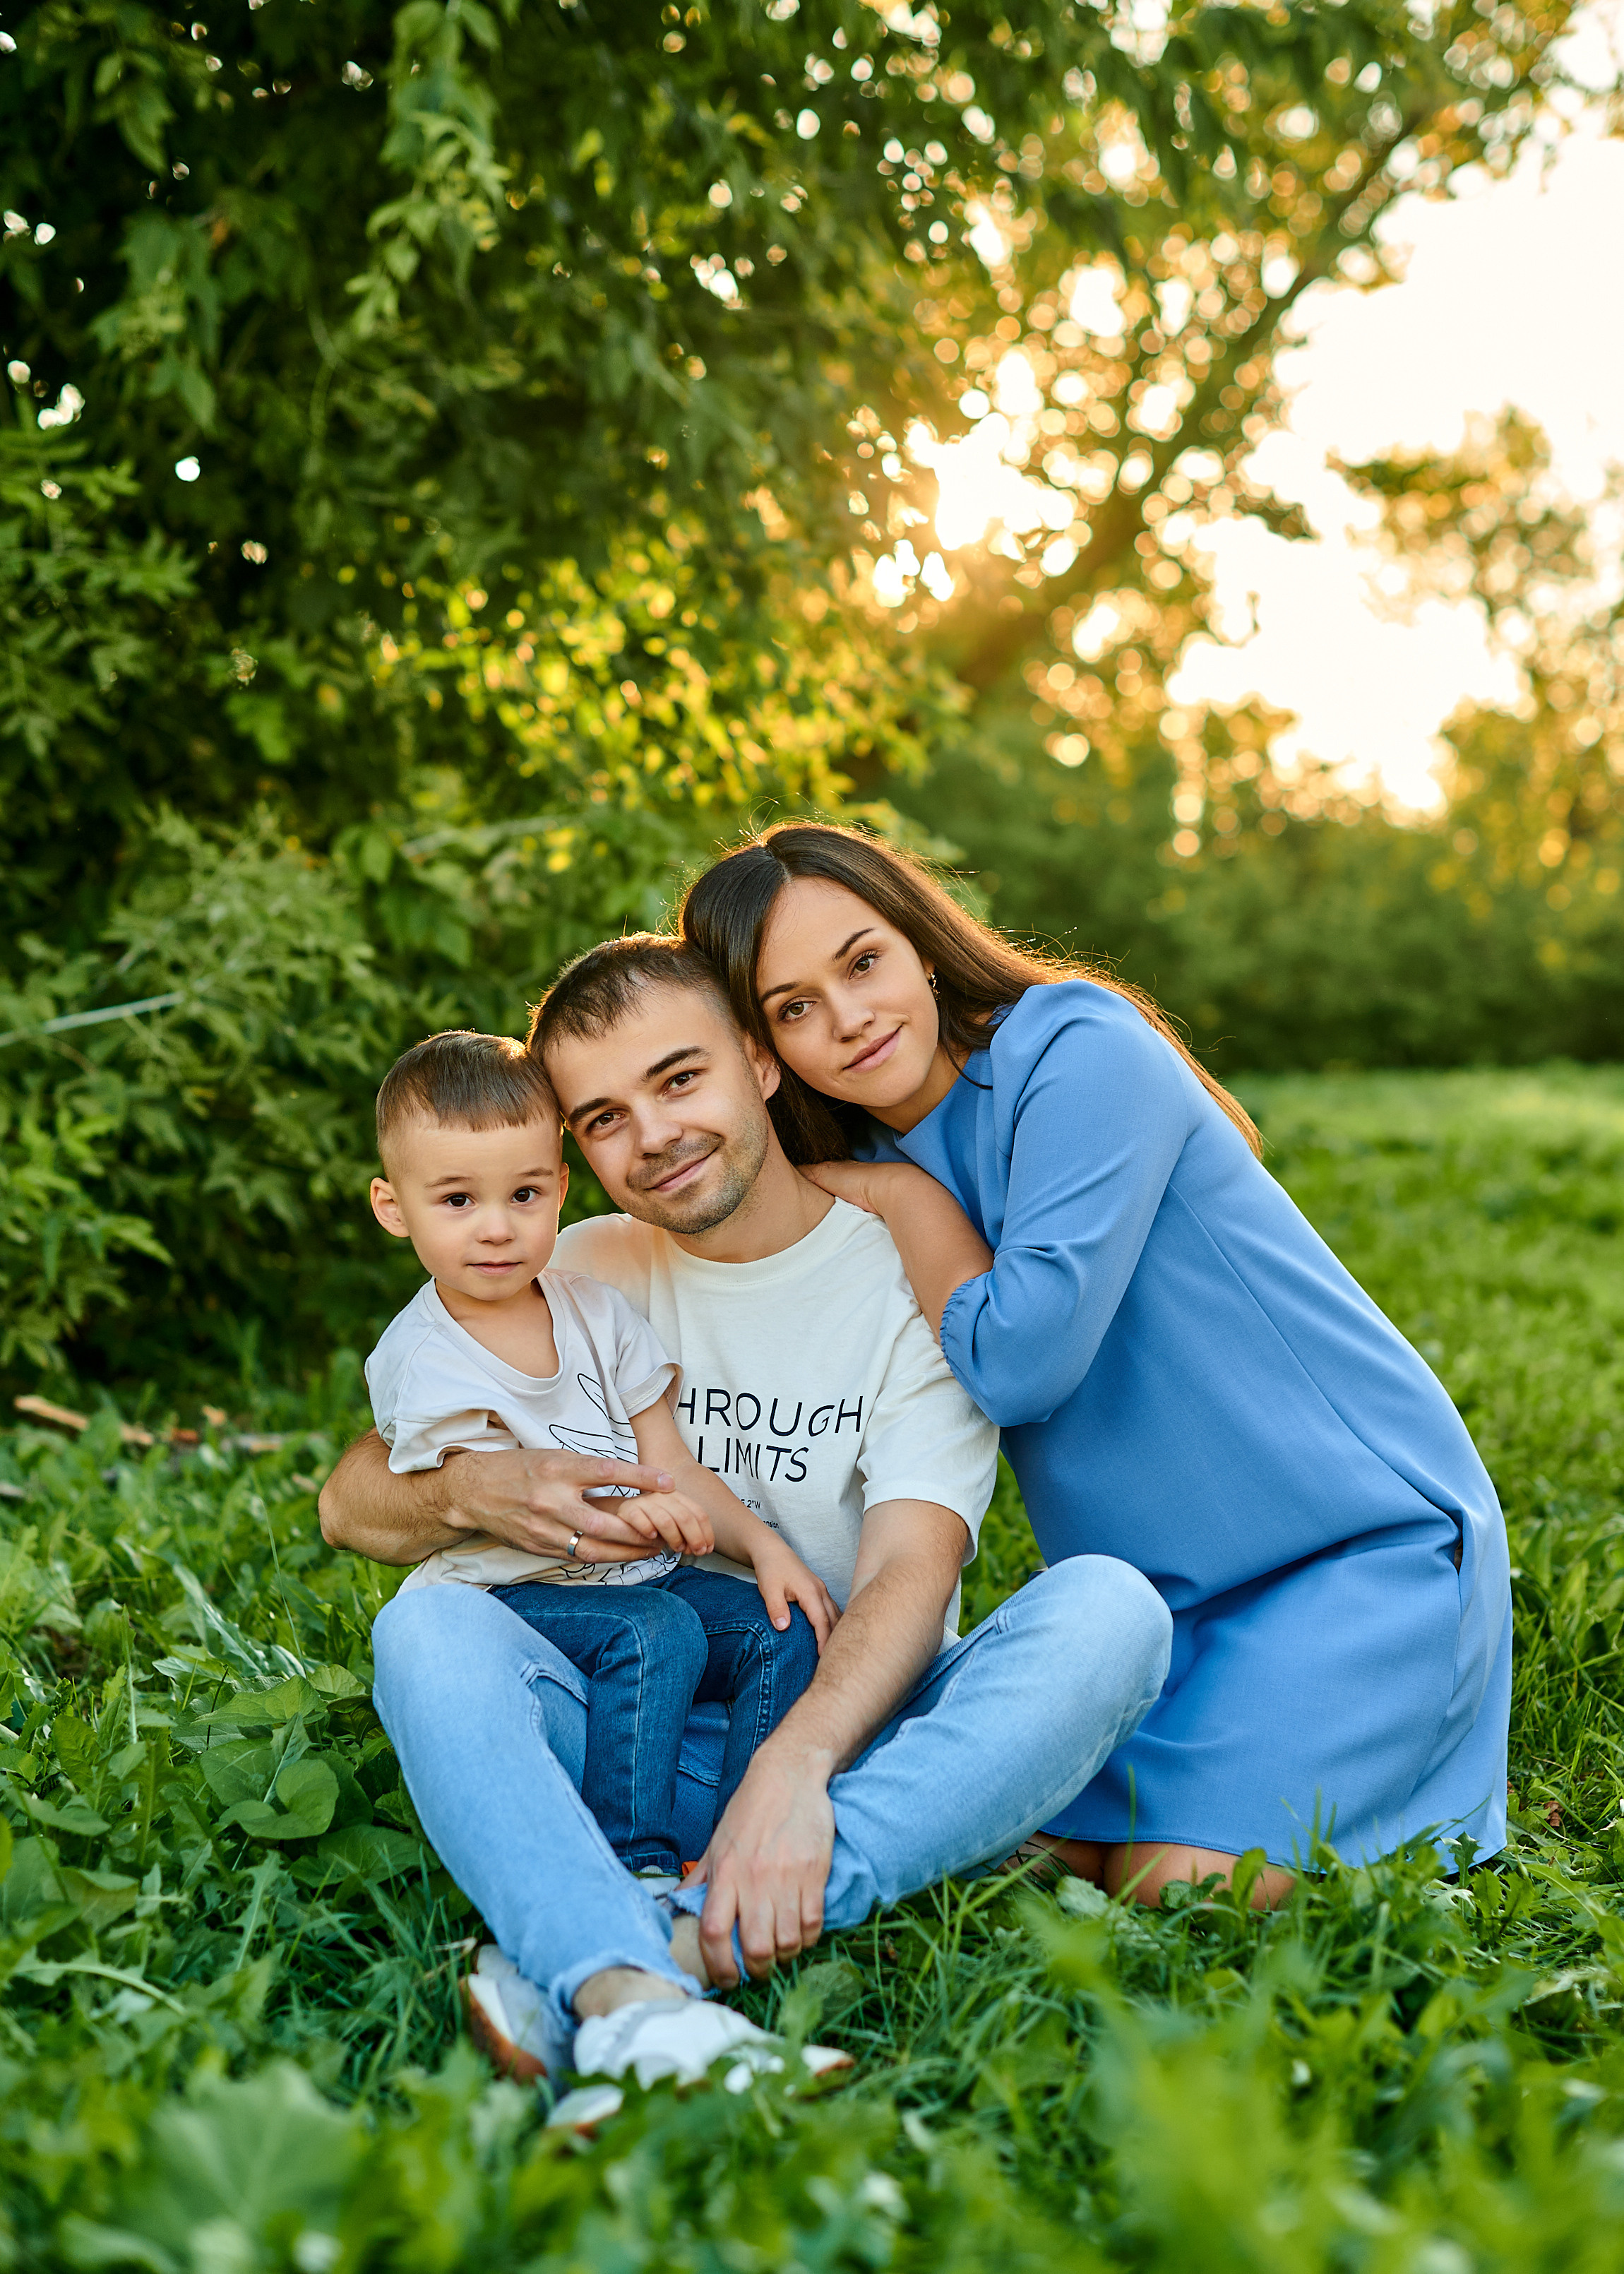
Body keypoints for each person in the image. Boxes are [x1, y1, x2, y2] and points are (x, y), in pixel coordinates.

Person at [320, 939, 1171, 2088]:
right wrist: (475, 1489)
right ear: (570, 1152)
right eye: (605, 1117)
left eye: (681, 1080)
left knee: (1112, 1615)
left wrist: (798, 1764)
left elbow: (910, 1573)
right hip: (617, 1729)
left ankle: (649, 1948)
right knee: (425, 1629)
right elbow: (351, 1499)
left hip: (848, 1727)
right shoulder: (570, 1268)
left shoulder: (897, 1277)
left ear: (761, 1064)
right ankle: (662, 1963)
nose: (656, 1136)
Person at [681, 821, 1514, 1908]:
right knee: (1002, 1848)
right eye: (794, 1007)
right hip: (1152, 1615)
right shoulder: (848, 1163)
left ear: (921, 941)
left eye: (863, 961)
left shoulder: (1076, 1047)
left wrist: (907, 1202)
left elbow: (1022, 1364)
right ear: (763, 1047)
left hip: (1352, 1551)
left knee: (1182, 1885)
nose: (849, 1019)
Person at [363, 1028, 835, 1877]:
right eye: (457, 1201)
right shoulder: (425, 1358)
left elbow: (673, 1465)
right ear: (393, 1207)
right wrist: (638, 1518)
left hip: (632, 1578)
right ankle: (636, 1858)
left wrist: (762, 1546)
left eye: (525, 1194)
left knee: (780, 1625)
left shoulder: (595, 1312)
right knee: (657, 1634)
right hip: (510, 1596)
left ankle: (739, 1845)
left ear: (560, 1189)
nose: (497, 1229)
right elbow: (513, 1515)